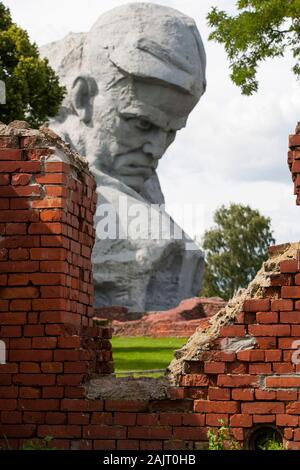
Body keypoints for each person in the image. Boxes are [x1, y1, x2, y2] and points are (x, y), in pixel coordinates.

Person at [42, 3, 207, 310]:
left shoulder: (138, 183)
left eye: (170, 132)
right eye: (142, 123)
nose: (156, 149)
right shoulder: (40, 171)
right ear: (83, 99)